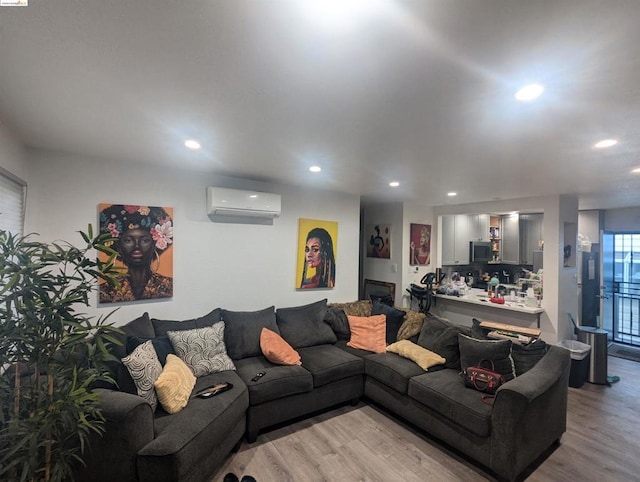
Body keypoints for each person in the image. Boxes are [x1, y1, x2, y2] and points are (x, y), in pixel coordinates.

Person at [99, 204, 173, 302]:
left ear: (155, 244)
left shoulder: (169, 285)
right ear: (119, 247)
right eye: (128, 241)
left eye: (145, 240)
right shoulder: (105, 291)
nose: (137, 246)